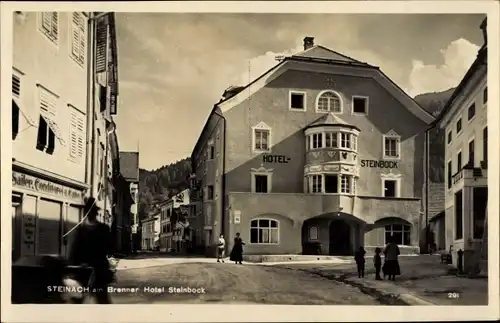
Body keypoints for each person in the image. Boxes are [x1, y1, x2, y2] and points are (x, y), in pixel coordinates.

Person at [68, 197, 114, 304]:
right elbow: (110, 249)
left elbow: (74, 252)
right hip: (94, 270)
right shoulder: (102, 229)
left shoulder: (83, 230)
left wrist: (74, 266)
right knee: (101, 300)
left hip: (88, 270)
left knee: (82, 300)